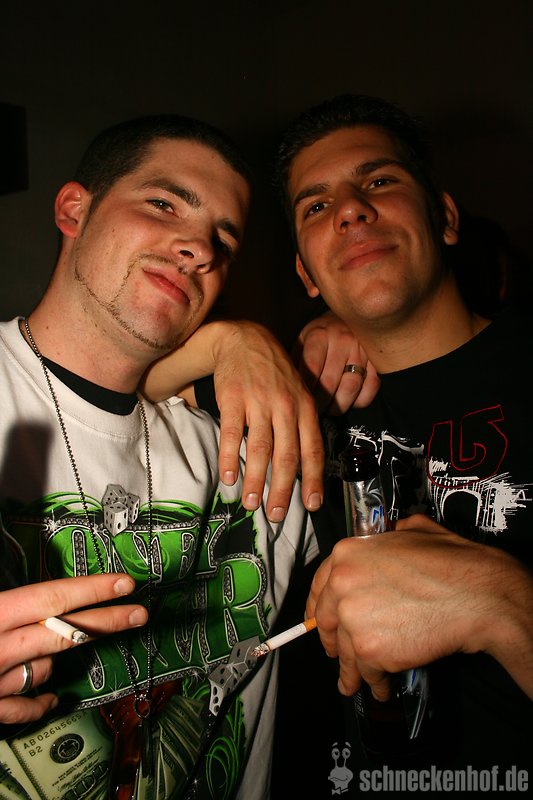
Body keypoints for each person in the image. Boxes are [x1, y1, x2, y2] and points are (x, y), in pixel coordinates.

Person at [0, 113, 321, 800]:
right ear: (74, 210)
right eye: (164, 203)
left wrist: (334, 334)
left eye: (223, 240)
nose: (199, 248)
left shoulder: (254, 448)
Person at [271, 94, 533, 781]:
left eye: (379, 181)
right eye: (316, 206)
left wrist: (501, 602)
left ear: (444, 218)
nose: (350, 210)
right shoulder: (302, 407)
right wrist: (234, 344)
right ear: (305, 273)